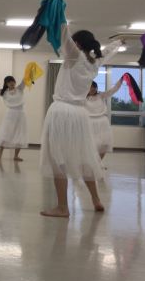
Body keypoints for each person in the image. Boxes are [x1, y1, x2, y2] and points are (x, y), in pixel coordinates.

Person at [40, 26, 122, 217]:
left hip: (61, 111)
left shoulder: (74, 56)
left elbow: (64, 36)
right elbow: (107, 52)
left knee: (58, 160)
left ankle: (63, 207)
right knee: (85, 158)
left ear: (77, 44)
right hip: (80, 113)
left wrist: (61, 19)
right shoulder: (94, 62)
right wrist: (118, 42)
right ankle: (96, 199)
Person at [0, 76, 27, 161]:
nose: (12, 83)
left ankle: (16, 156)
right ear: (6, 84)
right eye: (9, 82)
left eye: (13, 81)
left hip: (21, 115)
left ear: (15, 82)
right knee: (6, 132)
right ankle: (0, 150)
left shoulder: (20, 89)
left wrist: (30, 72)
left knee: (20, 134)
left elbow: (24, 80)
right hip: (10, 114)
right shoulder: (4, 92)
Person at [86, 77, 124, 161]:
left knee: (104, 144)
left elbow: (113, 90)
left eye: (94, 87)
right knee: (91, 144)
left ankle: (98, 163)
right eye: (90, 87)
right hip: (89, 122)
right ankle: (92, 163)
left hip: (103, 122)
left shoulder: (101, 95)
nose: (92, 89)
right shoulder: (83, 99)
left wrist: (120, 81)